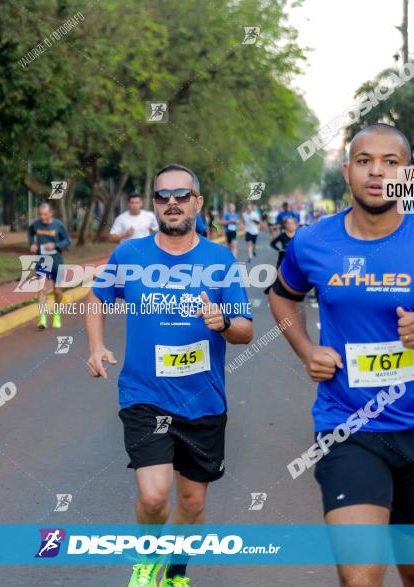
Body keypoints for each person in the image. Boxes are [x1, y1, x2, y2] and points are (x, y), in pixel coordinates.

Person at [268, 124, 414, 587]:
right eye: (364, 161)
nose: (377, 172)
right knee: (360, 577)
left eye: (391, 162)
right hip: (347, 429)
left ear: (408, 176)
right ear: (347, 172)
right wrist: (306, 349)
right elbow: (281, 297)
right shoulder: (313, 242)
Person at [85, 163, 253, 587]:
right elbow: (96, 298)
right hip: (145, 395)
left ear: (197, 202)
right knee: (155, 496)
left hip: (204, 400)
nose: (172, 202)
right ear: (155, 205)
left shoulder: (220, 259)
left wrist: (223, 324)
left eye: (181, 195)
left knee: (192, 502)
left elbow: (246, 332)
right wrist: (96, 346)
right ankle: (146, 560)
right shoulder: (131, 254)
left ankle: (176, 569)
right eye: (163, 196)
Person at [27, 203, 71, 330]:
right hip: (42, 260)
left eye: (45, 214)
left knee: (57, 290)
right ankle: (42, 318)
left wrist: (56, 245)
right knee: (41, 289)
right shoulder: (36, 225)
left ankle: (56, 314)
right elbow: (30, 234)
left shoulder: (58, 225)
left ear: (51, 213)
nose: (43, 217)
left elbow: (68, 241)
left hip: (56, 261)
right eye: (41, 214)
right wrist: (32, 244)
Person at [264, 215, 297, 295]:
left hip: (295, 258)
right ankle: (272, 287)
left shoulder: (299, 235)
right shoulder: (282, 235)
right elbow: (272, 244)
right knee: (278, 274)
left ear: (295, 224)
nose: (290, 225)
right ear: (285, 225)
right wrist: (280, 250)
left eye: (292, 223)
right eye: (288, 223)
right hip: (283, 257)